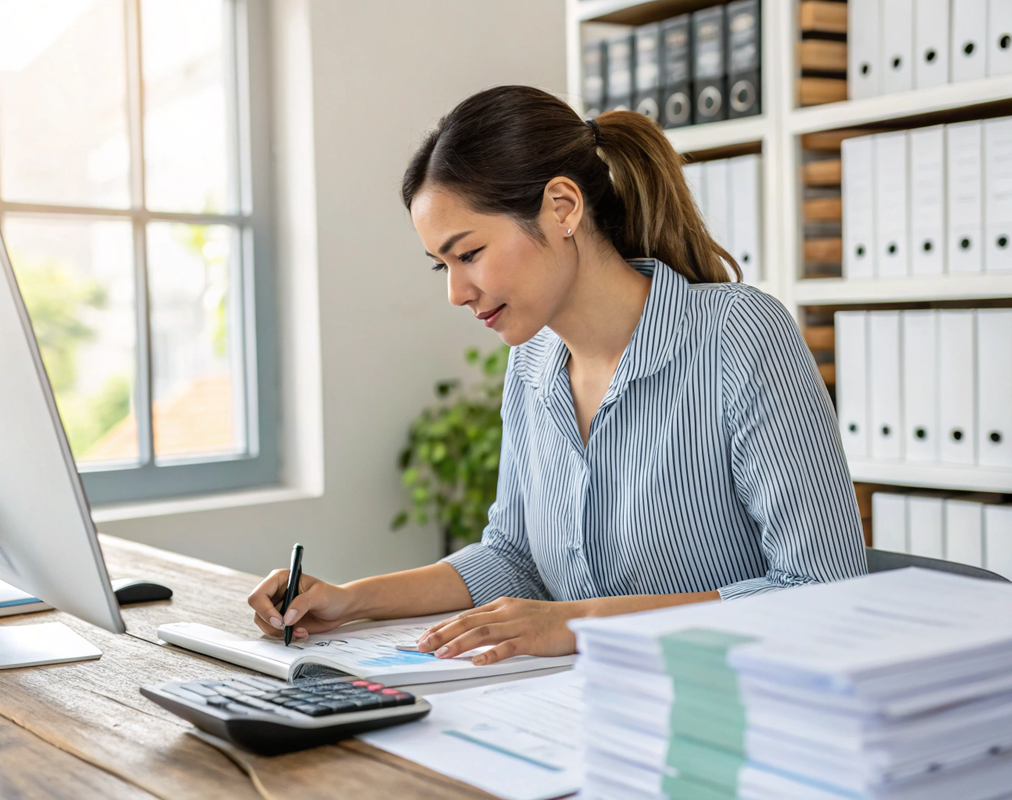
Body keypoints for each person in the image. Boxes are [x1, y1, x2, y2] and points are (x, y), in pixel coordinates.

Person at [247, 85, 866, 666]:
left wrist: (578, 623)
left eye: (470, 254)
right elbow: (512, 555)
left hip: (736, 705)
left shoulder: (739, 335)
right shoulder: (533, 362)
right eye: (442, 266)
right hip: (578, 702)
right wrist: (351, 599)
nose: (457, 292)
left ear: (562, 208)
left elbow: (822, 585)